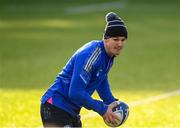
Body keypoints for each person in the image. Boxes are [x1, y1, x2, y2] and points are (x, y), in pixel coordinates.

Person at [40, 12, 128, 127]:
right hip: (55, 106)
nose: (120, 44)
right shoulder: (91, 55)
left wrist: (111, 101)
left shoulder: (108, 56)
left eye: (123, 40)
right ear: (106, 39)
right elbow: (75, 92)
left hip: (71, 111)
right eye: (116, 39)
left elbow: (101, 79)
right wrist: (103, 108)